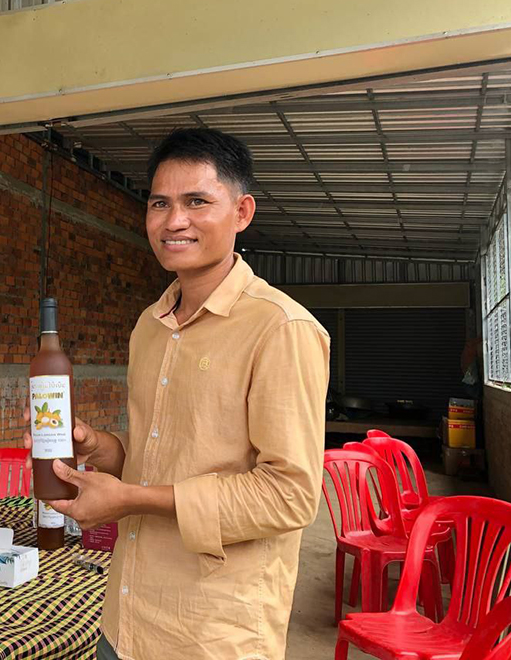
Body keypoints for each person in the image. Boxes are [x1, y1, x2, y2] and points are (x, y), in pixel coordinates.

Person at [26, 128, 329, 659]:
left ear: (242, 212)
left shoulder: (281, 328)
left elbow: (290, 495)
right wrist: (102, 447)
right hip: (125, 618)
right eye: (159, 203)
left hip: (211, 632)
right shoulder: (150, 325)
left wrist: (131, 500)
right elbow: (160, 451)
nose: (174, 222)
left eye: (197, 202)